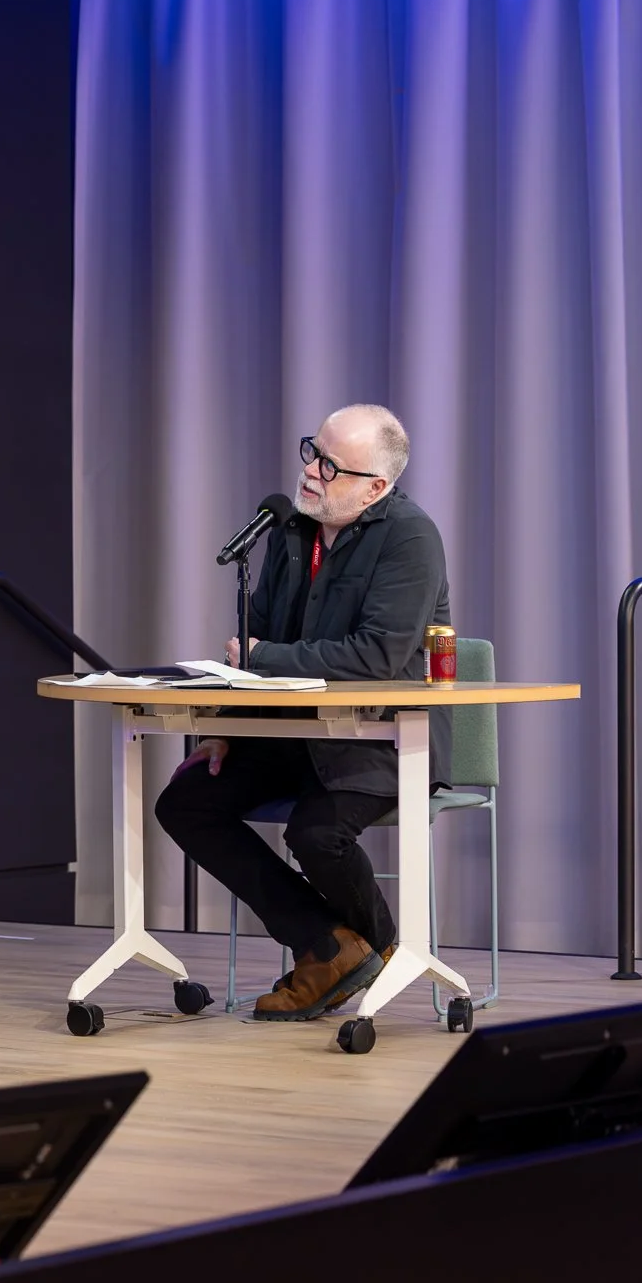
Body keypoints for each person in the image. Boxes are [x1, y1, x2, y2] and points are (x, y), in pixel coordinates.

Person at [155, 404, 451, 1022]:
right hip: (289, 733)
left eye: (330, 465)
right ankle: (327, 944)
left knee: (317, 834)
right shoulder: (291, 530)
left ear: (375, 487)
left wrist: (264, 656)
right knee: (185, 802)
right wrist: (224, 728)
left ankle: (372, 949)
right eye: (312, 452)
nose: (312, 471)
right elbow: (253, 640)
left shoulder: (410, 538)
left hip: (381, 738)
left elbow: (376, 656)